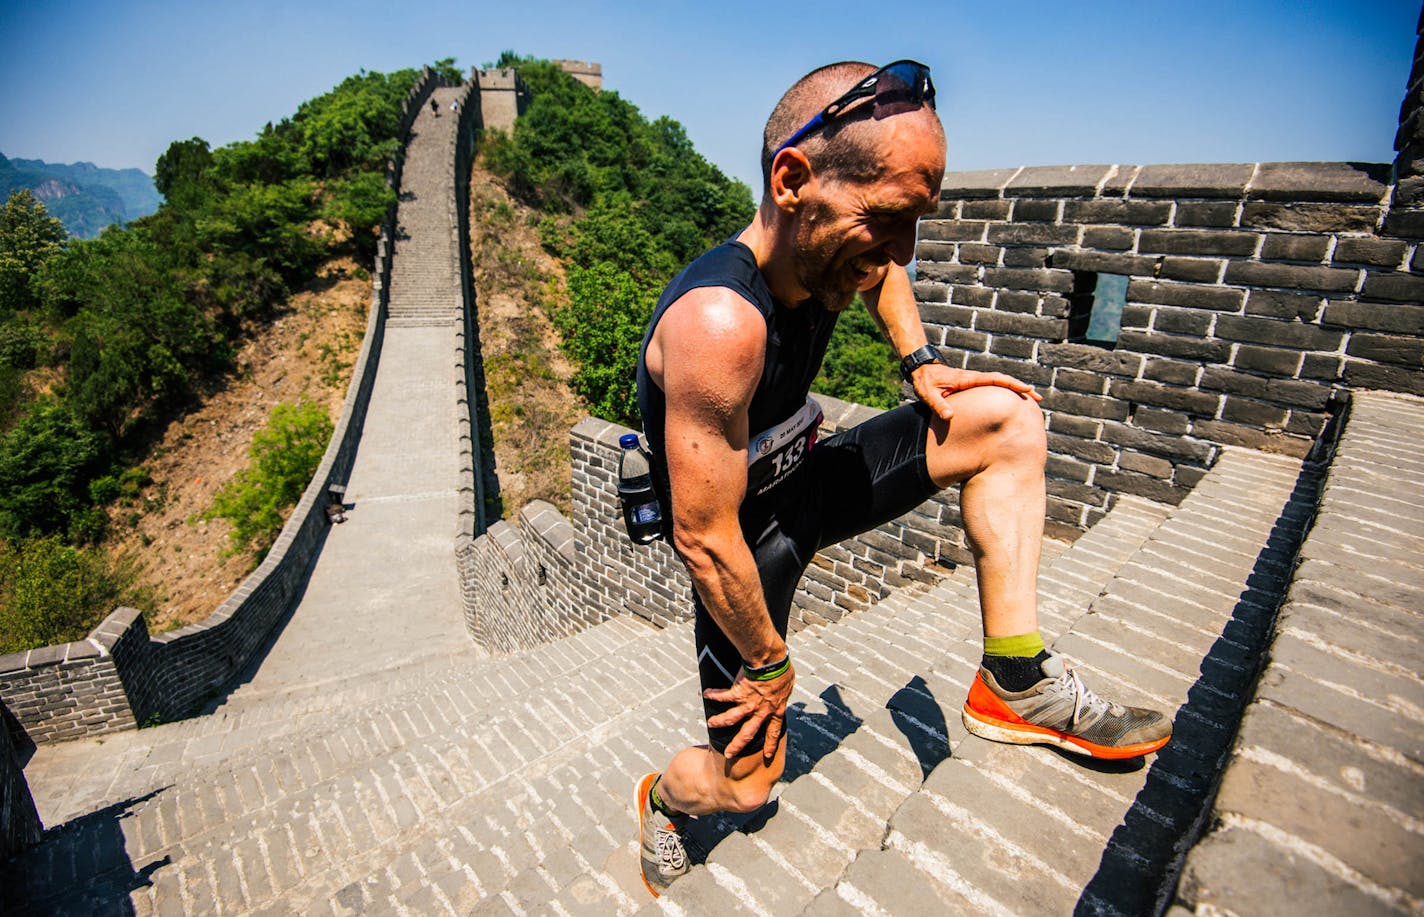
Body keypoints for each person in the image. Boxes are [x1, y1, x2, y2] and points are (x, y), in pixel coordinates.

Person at [632, 60, 1171, 897]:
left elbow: (886, 274)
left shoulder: (827, 249)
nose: (904, 252)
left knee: (1005, 420)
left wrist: (919, 363)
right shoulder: (718, 323)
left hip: (810, 479)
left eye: (917, 222)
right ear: (792, 178)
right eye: (888, 219)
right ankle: (663, 801)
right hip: (745, 546)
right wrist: (772, 663)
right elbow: (704, 535)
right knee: (747, 788)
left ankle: (1015, 680)